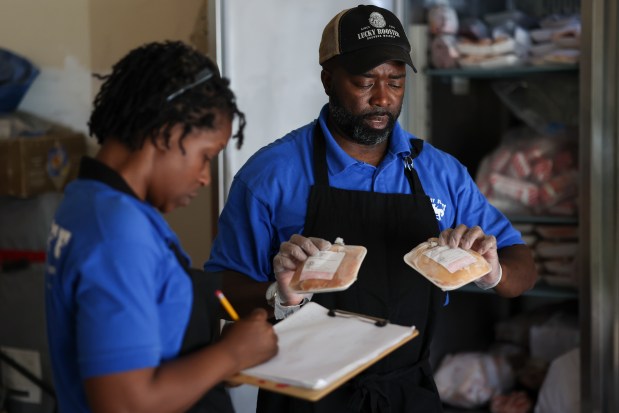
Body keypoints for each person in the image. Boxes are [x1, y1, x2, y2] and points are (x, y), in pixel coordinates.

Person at [205, 4, 537, 412]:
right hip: (304, 398)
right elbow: (219, 293)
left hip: (408, 394)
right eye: (365, 81)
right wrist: (279, 294)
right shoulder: (272, 174)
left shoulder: (440, 172)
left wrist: (492, 268)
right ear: (328, 79)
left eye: (396, 82)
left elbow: (523, 266)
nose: (382, 98)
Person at [44, 41, 278, 413]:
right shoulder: (117, 233)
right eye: (206, 157)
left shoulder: (90, 199)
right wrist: (230, 355)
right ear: (168, 130)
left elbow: (163, 295)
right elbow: (123, 403)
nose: (204, 178)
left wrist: (274, 294)